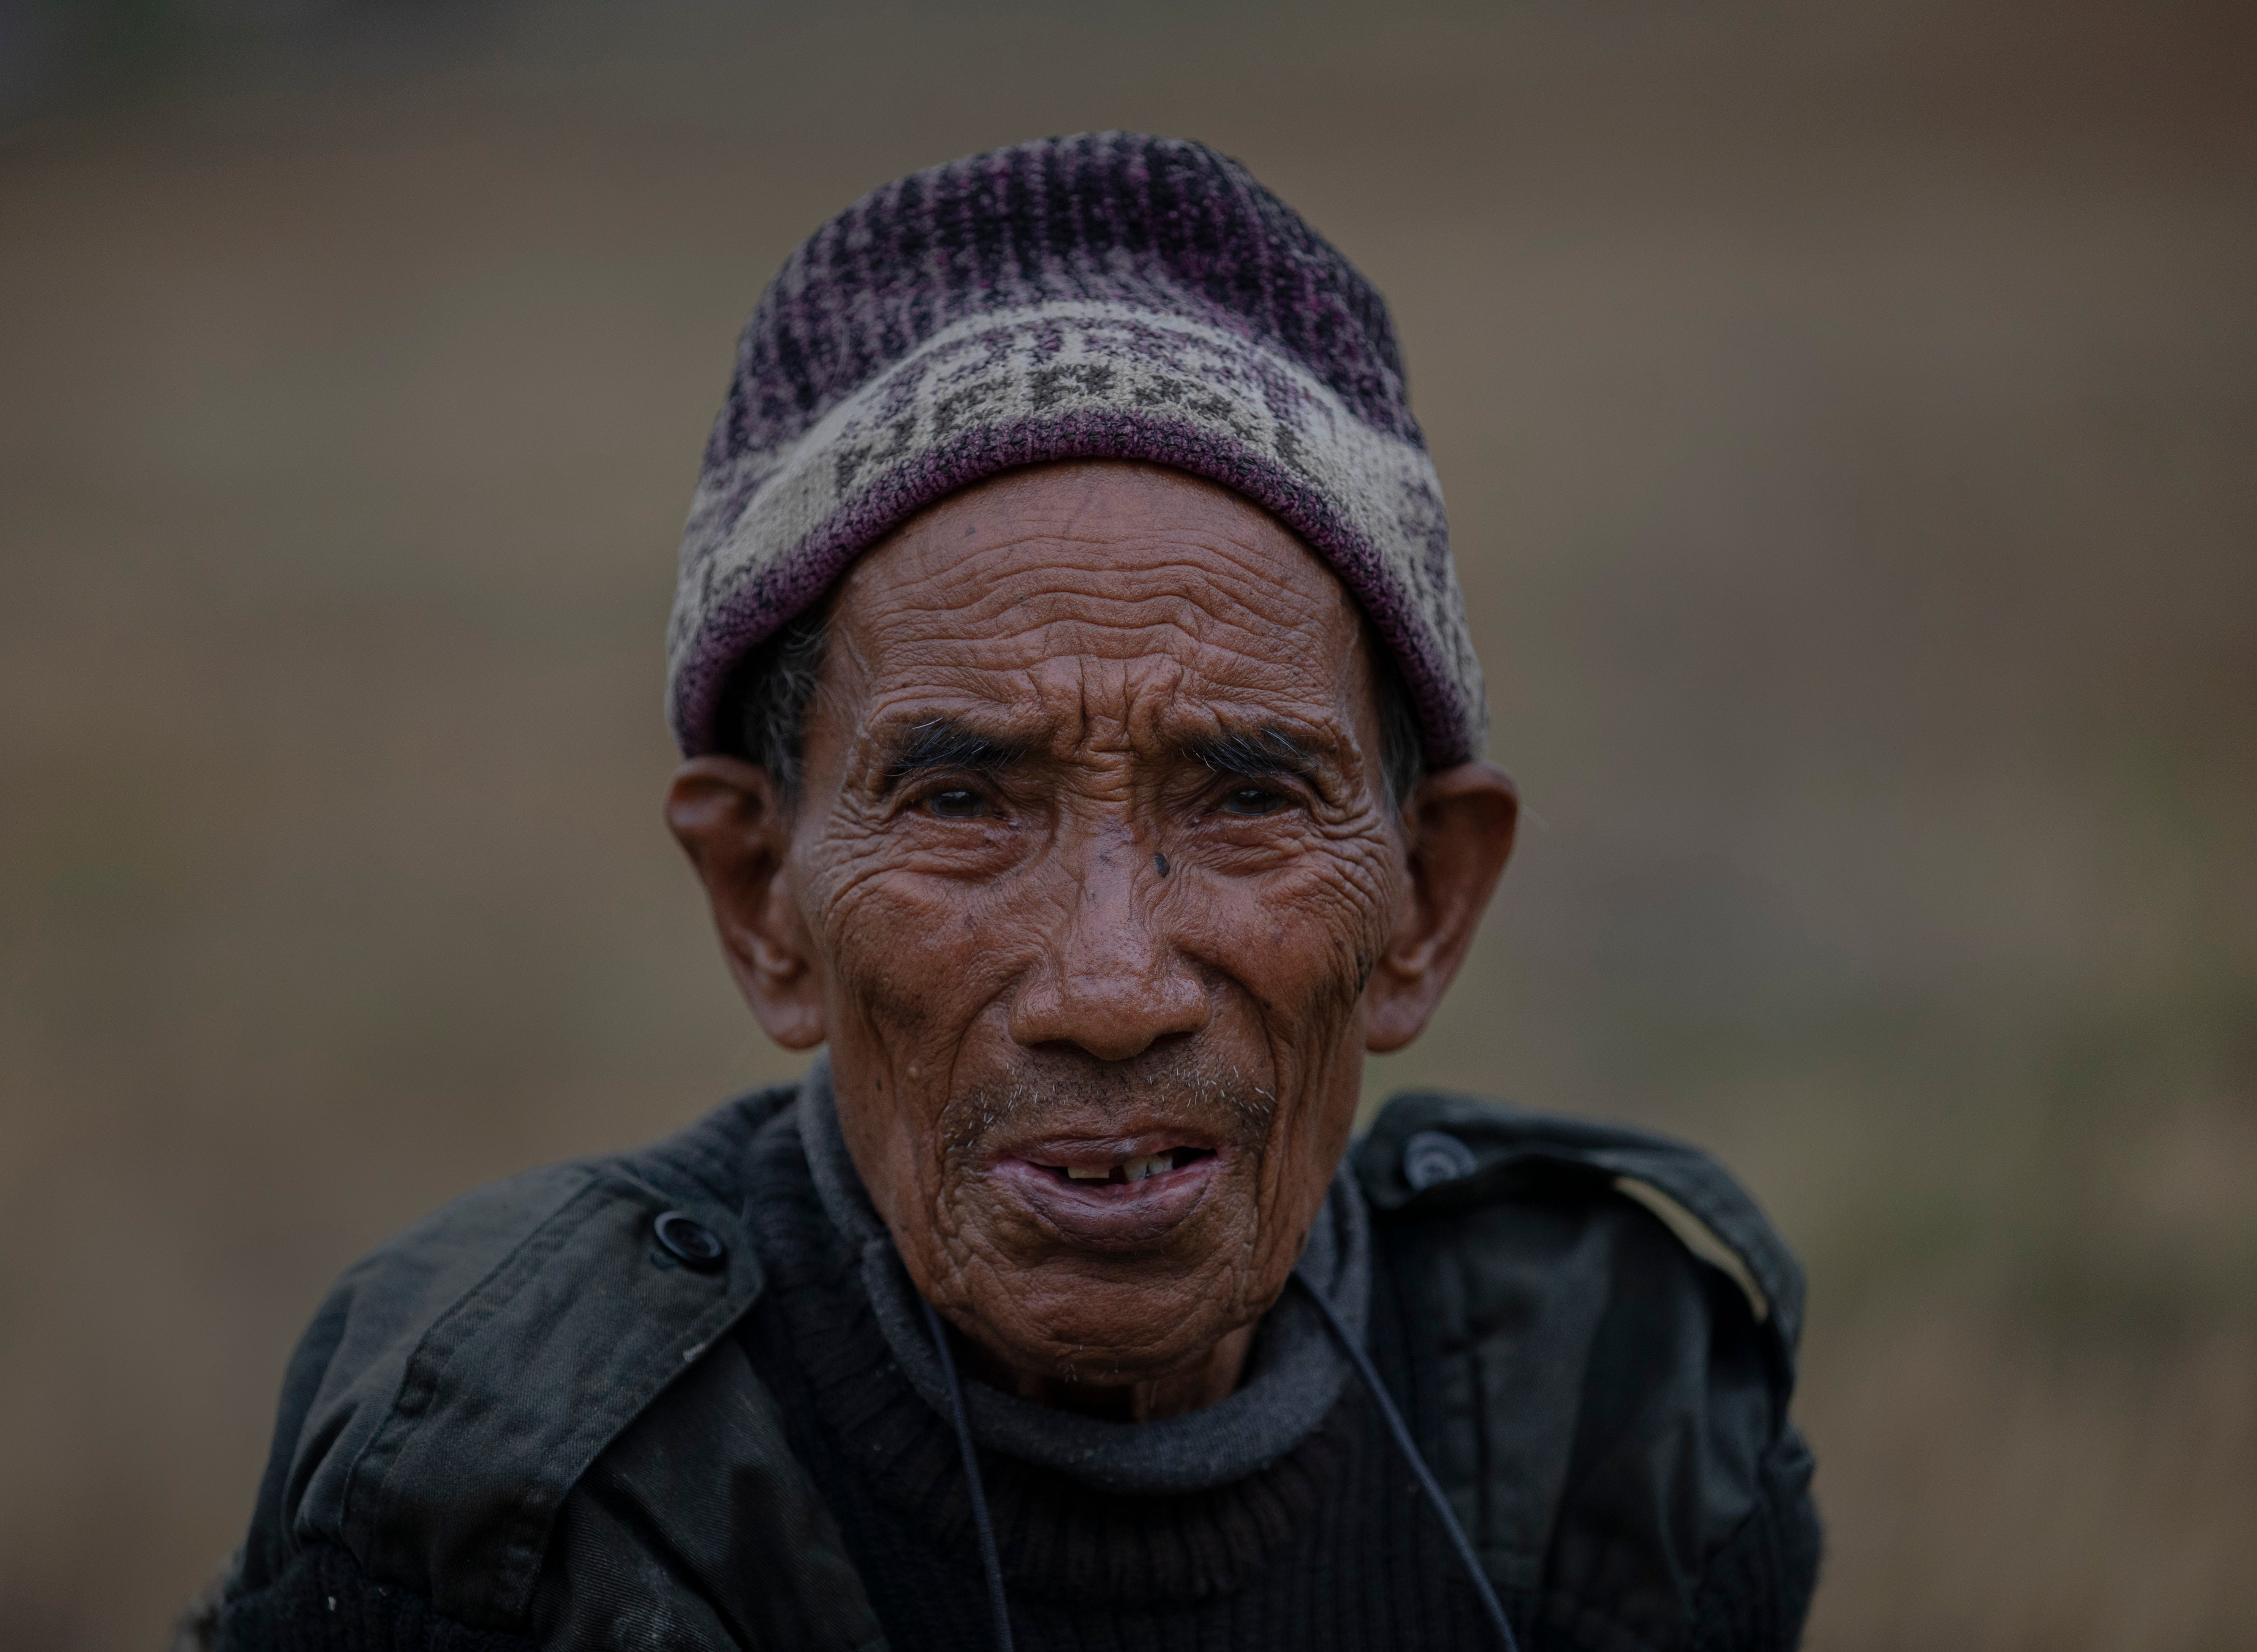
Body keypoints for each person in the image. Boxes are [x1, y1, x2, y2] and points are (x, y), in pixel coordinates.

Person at [192, 133, 1820, 1652]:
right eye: (962, 802)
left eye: (1249, 796)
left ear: (1425, 902)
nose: (1109, 988)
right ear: (764, 899)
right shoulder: (505, 1485)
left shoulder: (1610, 1417)